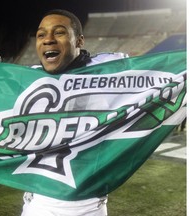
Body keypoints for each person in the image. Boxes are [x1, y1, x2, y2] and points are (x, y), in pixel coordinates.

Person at [21, 9, 129, 216]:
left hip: (87, 205)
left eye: (59, 32)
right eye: (41, 34)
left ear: (79, 41)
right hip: (38, 202)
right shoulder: (29, 81)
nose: (48, 40)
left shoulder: (108, 74)